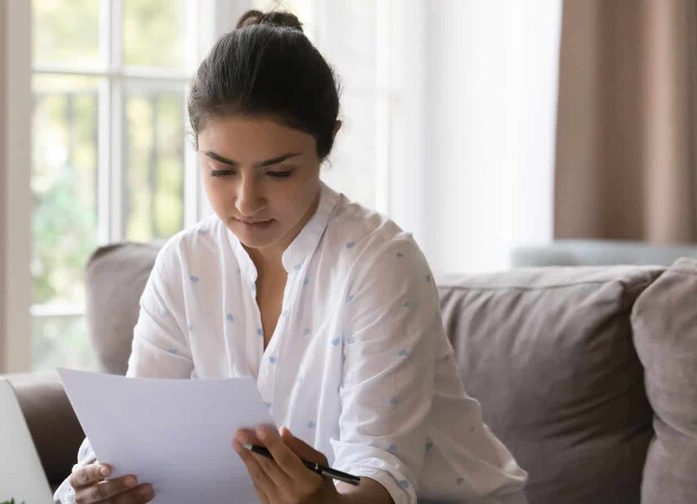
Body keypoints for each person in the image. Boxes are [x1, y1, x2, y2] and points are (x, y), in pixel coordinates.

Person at [54, 9, 528, 504]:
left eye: (277, 173)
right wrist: (98, 488)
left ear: (328, 143)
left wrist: (323, 500)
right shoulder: (185, 263)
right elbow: (139, 435)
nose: (245, 201)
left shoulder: (379, 262)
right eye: (221, 171)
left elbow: (384, 470)